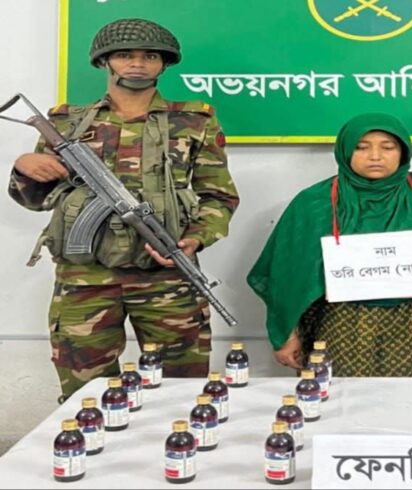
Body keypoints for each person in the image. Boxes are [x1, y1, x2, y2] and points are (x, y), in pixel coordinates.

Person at [8, 18, 239, 402]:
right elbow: (36, 200)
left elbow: (219, 197)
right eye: (125, 55)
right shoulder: (65, 123)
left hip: (166, 279)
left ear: (163, 64)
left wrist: (194, 240)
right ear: (105, 61)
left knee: (181, 393)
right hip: (84, 280)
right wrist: (24, 169)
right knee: (87, 395)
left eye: (150, 56)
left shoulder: (193, 120)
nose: (137, 64)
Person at [247, 113, 412, 376]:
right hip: (342, 326)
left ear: (403, 151)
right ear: (344, 151)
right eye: (361, 147)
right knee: (341, 399)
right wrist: (286, 334)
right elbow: (285, 275)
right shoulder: (314, 203)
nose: (375, 156)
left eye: (388, 147)